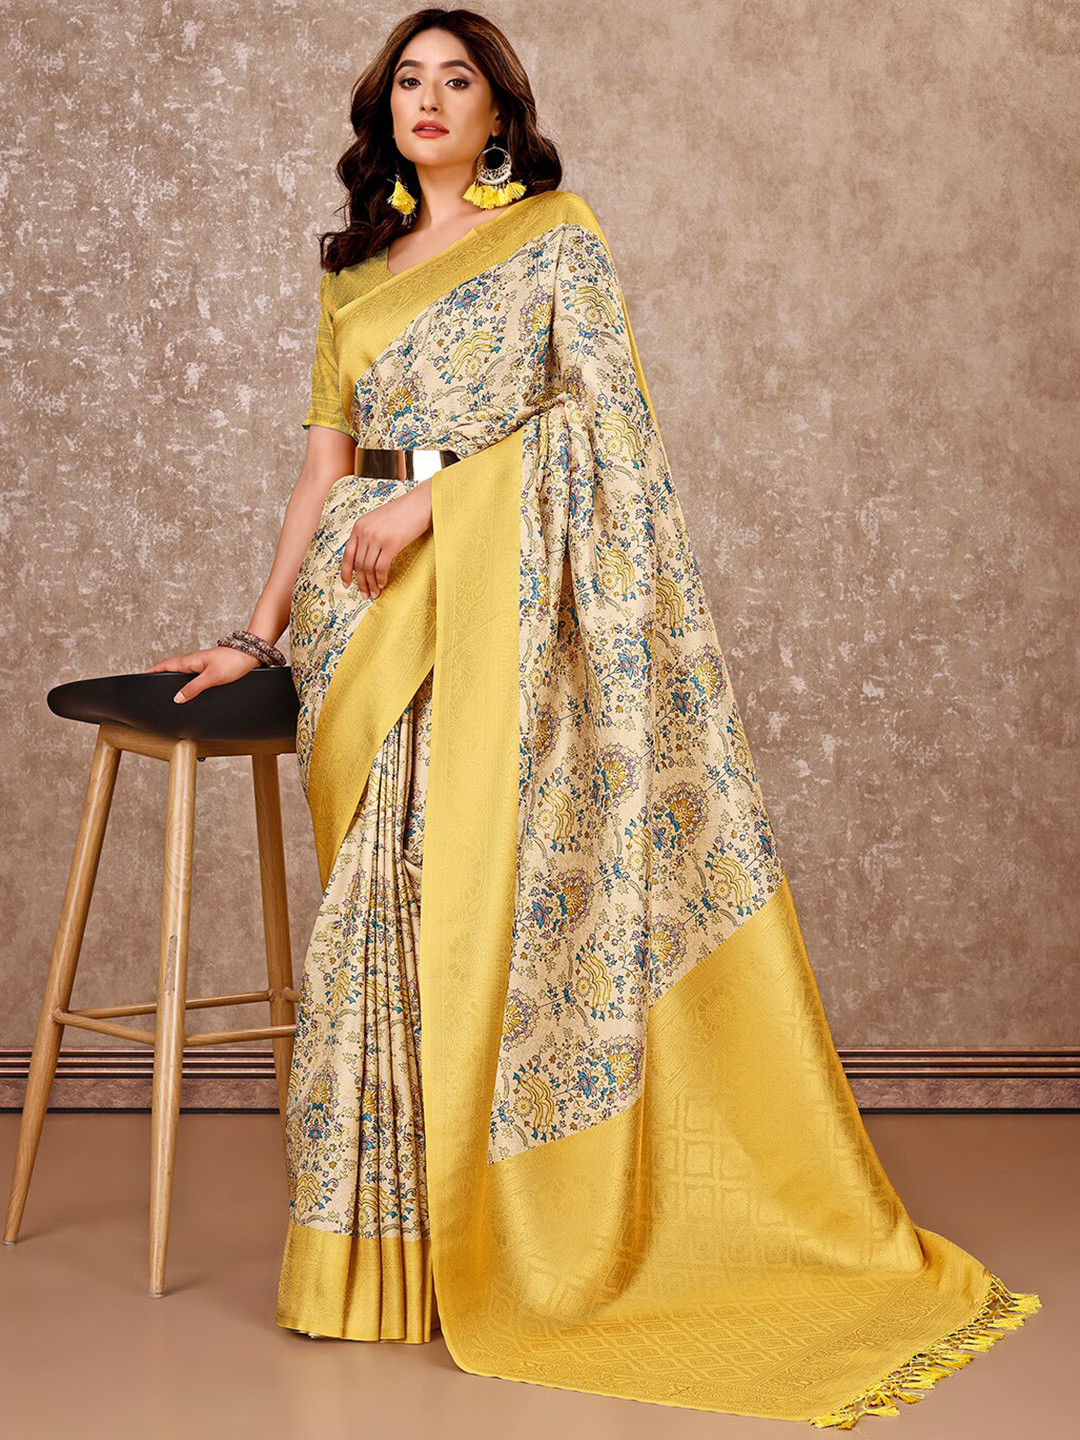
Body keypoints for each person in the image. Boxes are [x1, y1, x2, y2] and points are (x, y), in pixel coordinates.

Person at [146, 8, 1041, 1430]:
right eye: (408, 82)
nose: (430, 101)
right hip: (360, 611)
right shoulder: (353, 272)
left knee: (476, 904)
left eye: (458, 81)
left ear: (500, 115)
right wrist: (258, 633)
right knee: (377, 912)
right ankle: (379, 1261)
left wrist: (445, 498)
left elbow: (611, 428)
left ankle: (514, 1239)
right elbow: (320, 473)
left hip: (497, 596)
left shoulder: (557, 238)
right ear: (382, 114)